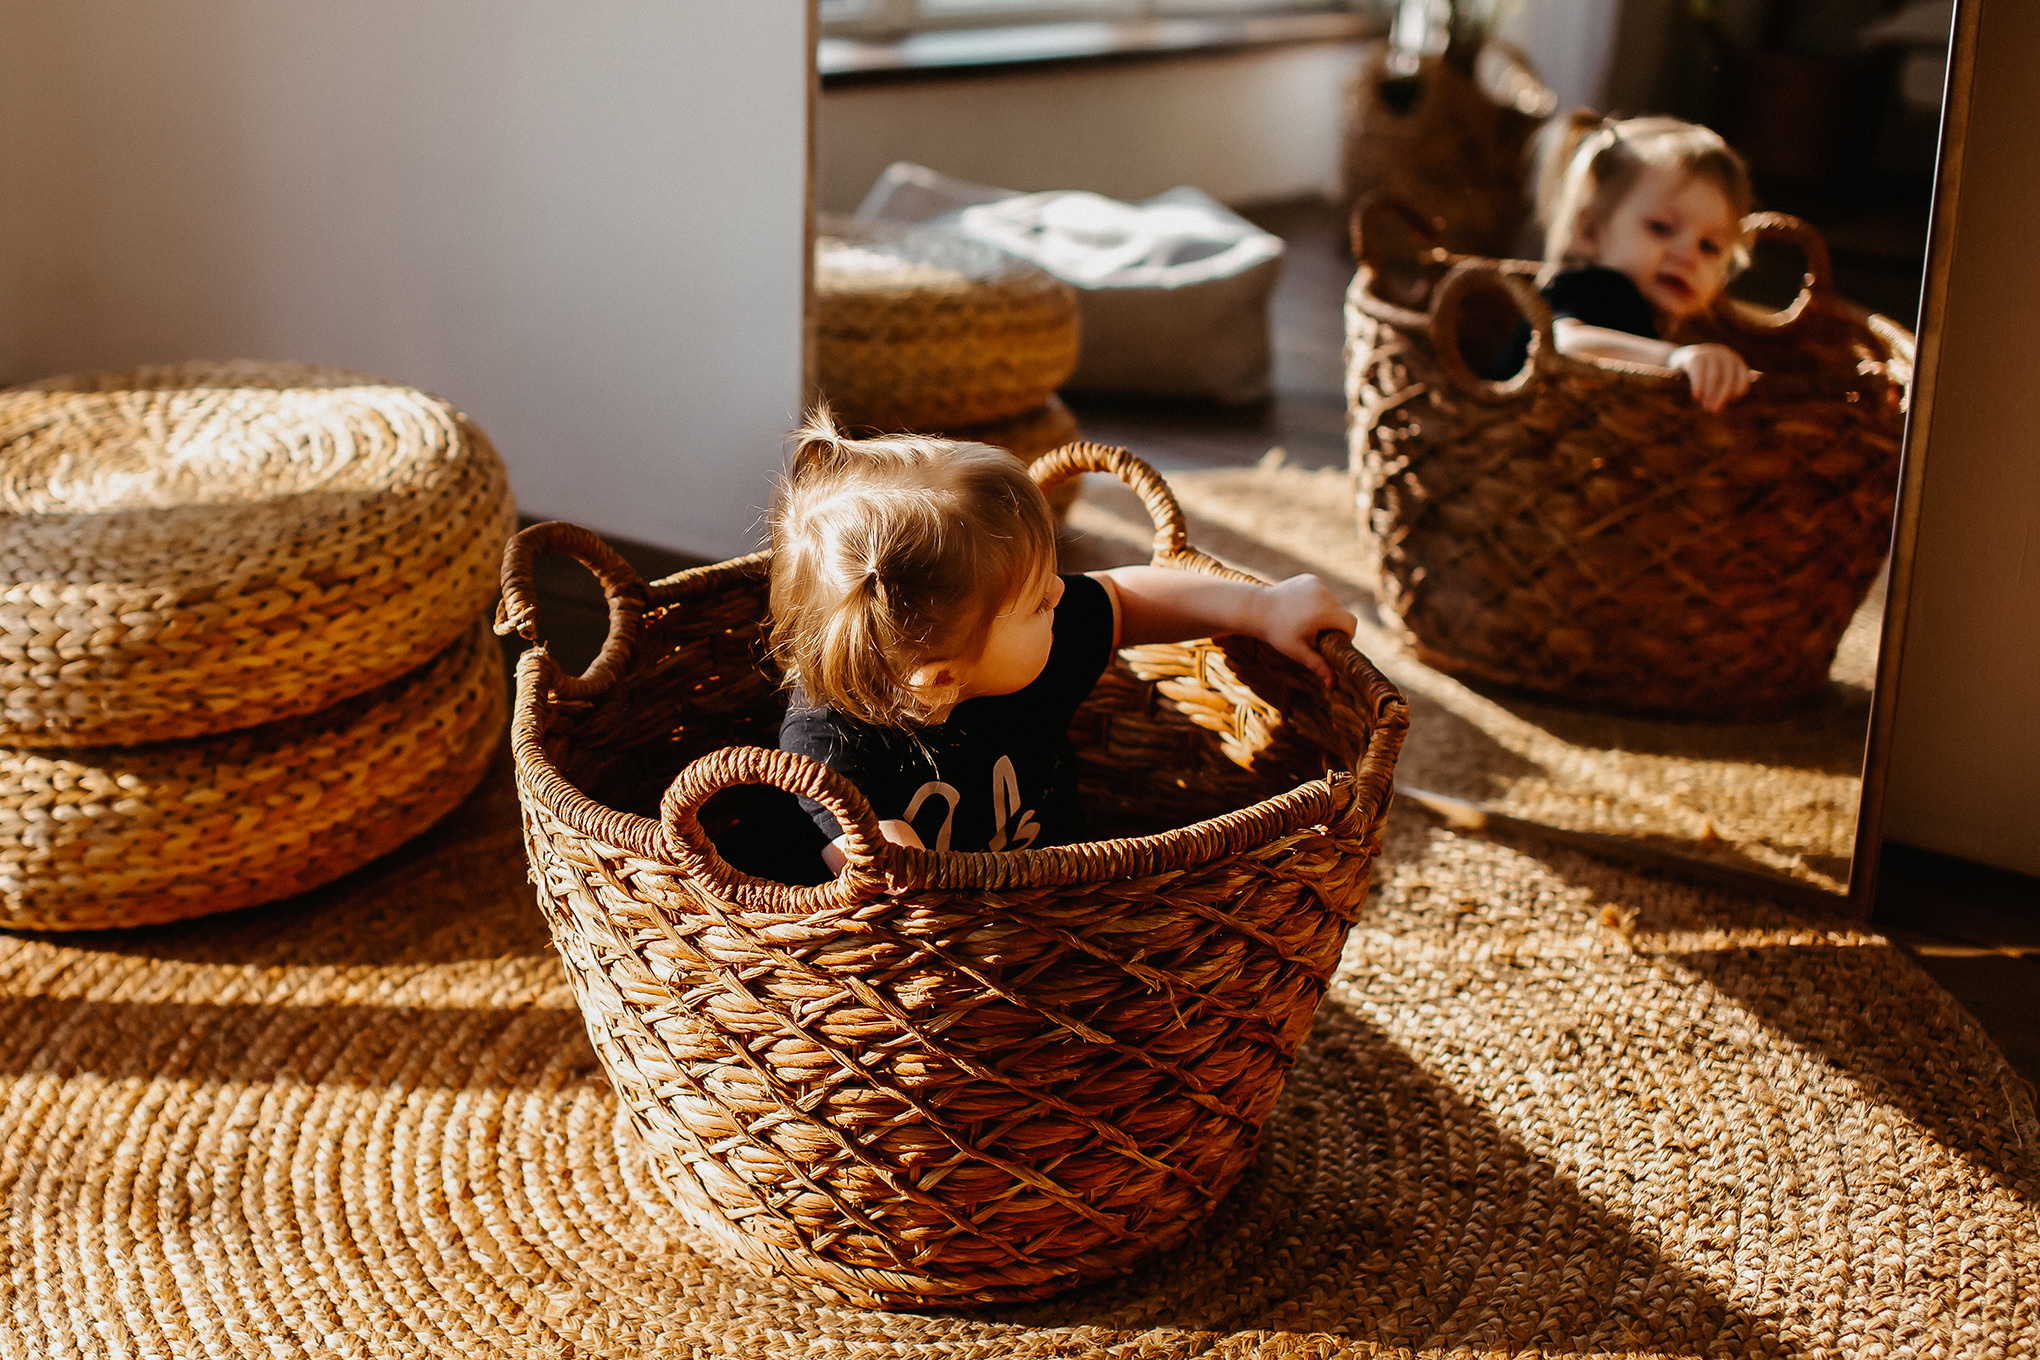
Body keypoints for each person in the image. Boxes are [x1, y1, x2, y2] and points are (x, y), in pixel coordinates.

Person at [768, 409, 1354, 873]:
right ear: (943, 678)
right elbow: (890, 882)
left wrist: (1263, 608)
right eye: (1038, 603)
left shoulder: (1017, 648)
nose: (1059, 592)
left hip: (1064, 902)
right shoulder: (829, 749)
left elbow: (1125, 598)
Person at [1486, 112, 1756, 412]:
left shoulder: (1651, 315)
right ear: (1590, 231)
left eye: (1709, 246)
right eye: (1661, 227)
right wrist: (1670, 358)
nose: (1688, 255)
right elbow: (1563, 344)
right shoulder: (1600, 287)